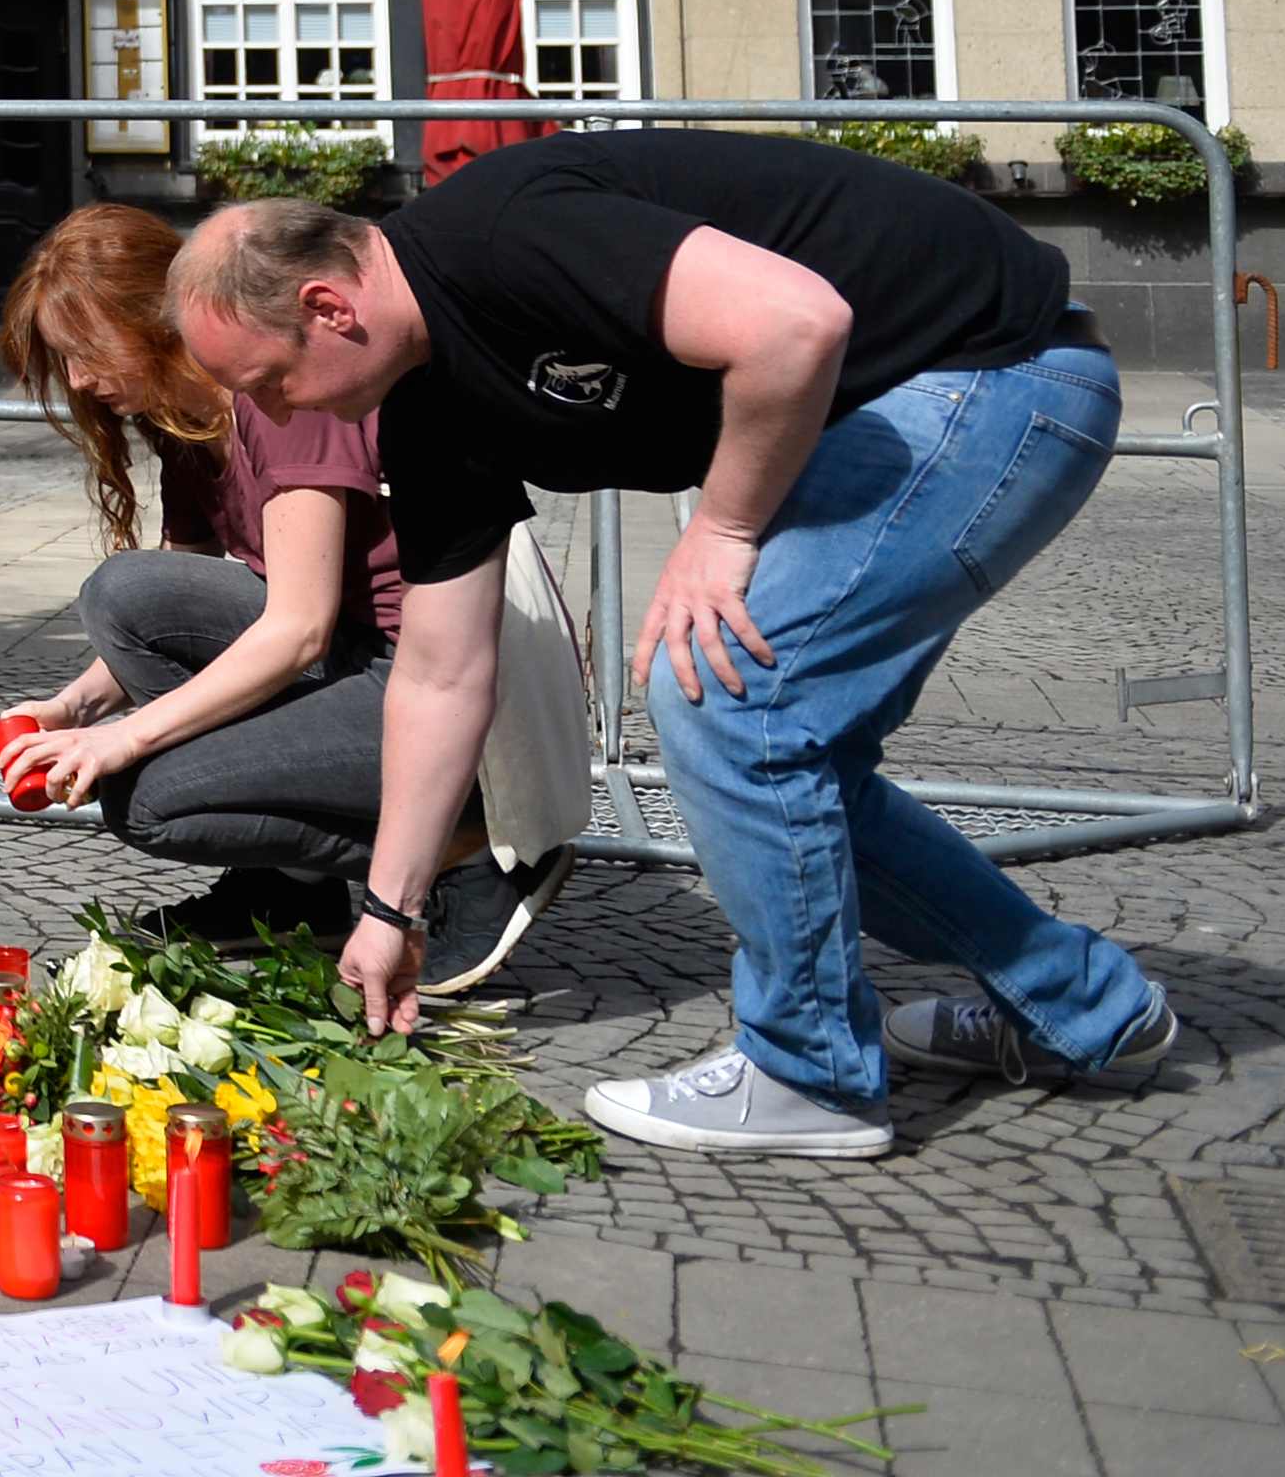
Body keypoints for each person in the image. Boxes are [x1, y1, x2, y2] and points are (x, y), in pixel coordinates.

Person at [165, 133, 1177, 1161]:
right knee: (798, 770)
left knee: (728, 699)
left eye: (271, 380)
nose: (271, 412)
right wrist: (387, 909)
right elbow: (440, 671)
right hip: (893, 408)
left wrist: (722, 530)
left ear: (328, 309)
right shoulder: (424, 409)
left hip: (993, 370)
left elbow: (795, 322)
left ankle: (809, 1072)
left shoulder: (498, 234)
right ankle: (1079, 1003)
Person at [0, 208, 567, 989]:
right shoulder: (187, 423)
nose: (84, 382)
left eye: (86, 355)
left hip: (440, 687)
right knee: (123, 594)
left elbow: (297, 628)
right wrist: (71, 711)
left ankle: (468, 845)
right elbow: (163, 603)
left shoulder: (280, 395)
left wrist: (122, 743)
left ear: (147, 318)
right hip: (354, 656)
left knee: (150, 798)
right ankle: (293, 887)